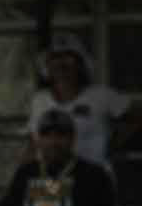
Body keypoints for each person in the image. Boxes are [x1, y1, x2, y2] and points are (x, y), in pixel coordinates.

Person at [29, 32, 134, 172]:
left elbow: (136, 117)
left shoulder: (101, 95)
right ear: (47, 67)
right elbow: (34, 142)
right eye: (55, 58)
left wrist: (113, 144)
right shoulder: (40, 100)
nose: (61, 64)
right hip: (55, 180)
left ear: (81, 64)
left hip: (95, 175)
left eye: (68, 58)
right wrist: (24, 172)